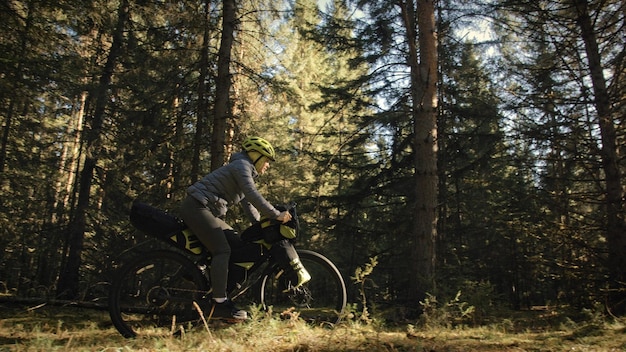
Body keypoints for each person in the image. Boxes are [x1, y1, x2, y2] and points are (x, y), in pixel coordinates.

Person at [179, 136, 309, 320]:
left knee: (235, 241)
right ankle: (219, 302)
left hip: (204, 210)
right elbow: (252, 194)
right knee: (222, 250)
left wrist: (261, 226)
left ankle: (199, 272)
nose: (268, 165)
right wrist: (275, 214)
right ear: (256, 156)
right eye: (266, 160)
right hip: (197, 207)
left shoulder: (242, 169)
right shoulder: (242, 166)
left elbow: (248, 204)